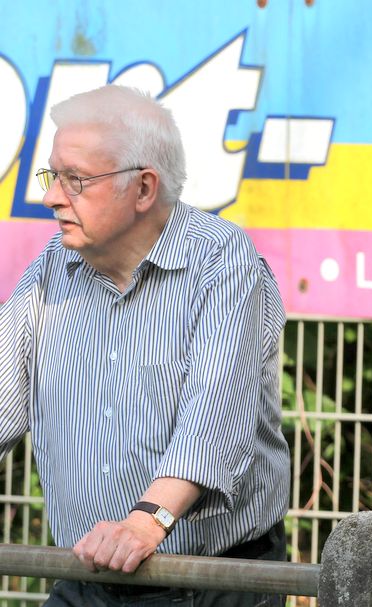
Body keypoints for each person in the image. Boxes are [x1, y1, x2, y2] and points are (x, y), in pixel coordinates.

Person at [0, 85, 290, 606]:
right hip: (89, 576)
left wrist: (147, 520)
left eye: (75, 179)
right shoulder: (51, 266)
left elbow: (215, 415)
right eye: (52, 176)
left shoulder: (221, 261)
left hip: (208, 580)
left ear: (143, 188)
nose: (51, 197)